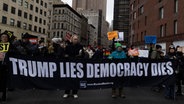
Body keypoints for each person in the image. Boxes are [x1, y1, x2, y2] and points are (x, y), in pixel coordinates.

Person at [0, 32, 12, 101]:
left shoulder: (10, 45)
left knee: (4, 81)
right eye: (3, 37)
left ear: (7, 39)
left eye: (5, 37)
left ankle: (3, 96)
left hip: (5, 66)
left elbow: (15, 52)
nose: (4, 38)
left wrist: (8, 52)